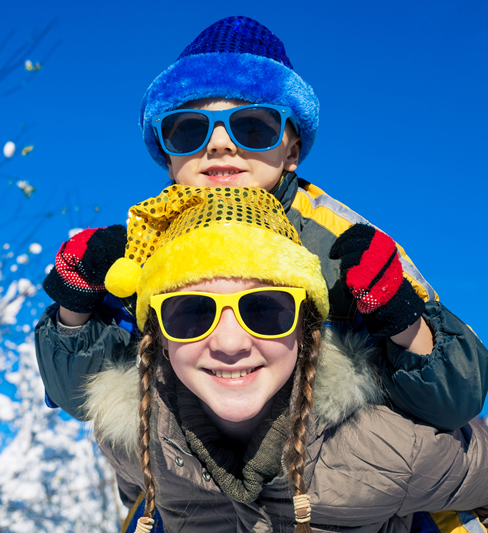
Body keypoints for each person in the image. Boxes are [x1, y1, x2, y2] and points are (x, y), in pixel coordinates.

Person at [35, 16, 488, 432]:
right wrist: (74, 308)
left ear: (290, 152)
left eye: (252, 128)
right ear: (168, 156)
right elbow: (86, 397)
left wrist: (400, 317)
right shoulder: (145, 244)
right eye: (189, 130)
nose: (219, 145)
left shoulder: (340, 241)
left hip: (338, 477)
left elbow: (455, 400)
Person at [81, 185, 488, 533]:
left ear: (304, 328)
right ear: (159, 339)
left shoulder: (384, 449)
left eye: (264, 310)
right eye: (192, 313)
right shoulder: (135, 440)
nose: (230, 342)